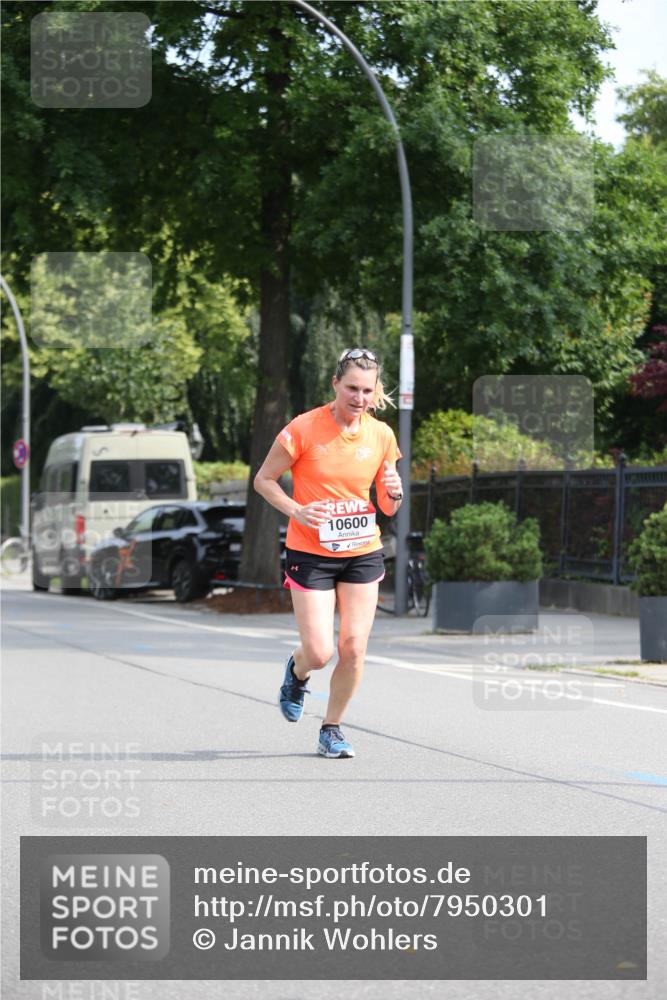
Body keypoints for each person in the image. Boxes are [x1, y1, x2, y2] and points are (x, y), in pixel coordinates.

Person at [253, 347, 403, 759]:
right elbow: (264, 480)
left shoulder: (382, 435)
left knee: (353, 648)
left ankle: (332, 728)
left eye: (367, 391)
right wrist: (297, 510)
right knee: (320, 652)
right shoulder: (303, 429)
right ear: (335, 384)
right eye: (352, 388)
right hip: (311, 552)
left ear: (376, 393)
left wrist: (394, 493)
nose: (359, 397)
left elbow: (388, 507)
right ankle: (297, 674)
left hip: (362, 550)